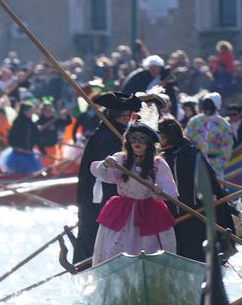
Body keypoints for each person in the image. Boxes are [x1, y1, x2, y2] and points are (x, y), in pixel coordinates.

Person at [90, 112, 178, 265]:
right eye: (134, 139)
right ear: (128, 142)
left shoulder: (158, 164)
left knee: (152, 250)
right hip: (122, 211)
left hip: (149, 212)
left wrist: (159, 192)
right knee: (114, 248)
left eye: (142, 139)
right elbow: (101, 172)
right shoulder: (121, 159)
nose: (138, 143)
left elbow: (171, 193)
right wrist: (106, 163)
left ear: (150, 143)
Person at [158, 117, 238, 261]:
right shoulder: (161, 158)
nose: (159, 141)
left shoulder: (191, 154)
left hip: (193, 213)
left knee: (195, 256)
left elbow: (210, 183)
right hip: (170, 216)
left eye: (162, 137)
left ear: (171, 136)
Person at [72, 92, 136, 264]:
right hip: (102, 198)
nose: (129, 120)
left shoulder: (116, 136)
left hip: (103, 198)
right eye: (127, 117)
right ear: (119, 118)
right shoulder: (107, 139)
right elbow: (106, 175)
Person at [184, 93, 233, 178]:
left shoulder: (224, 125)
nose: (207, 110)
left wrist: (217, 167)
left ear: (216, 106)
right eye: (205, 107)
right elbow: (186, 139)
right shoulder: (194, 122)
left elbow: (227, 147)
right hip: (195, 163)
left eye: (210, 107)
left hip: (215, 166)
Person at [0, 103, 41, 174]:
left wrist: (42, 151)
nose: (31, 113)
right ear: (24, 112)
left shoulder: (32, 124)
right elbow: (11, 137)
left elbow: (36, 138)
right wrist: (15, 147)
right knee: (17, 172)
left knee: (29, 172)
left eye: (31, 111)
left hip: (29, 153)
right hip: (18, 153)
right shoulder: (17, 122)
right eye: (29, 111)